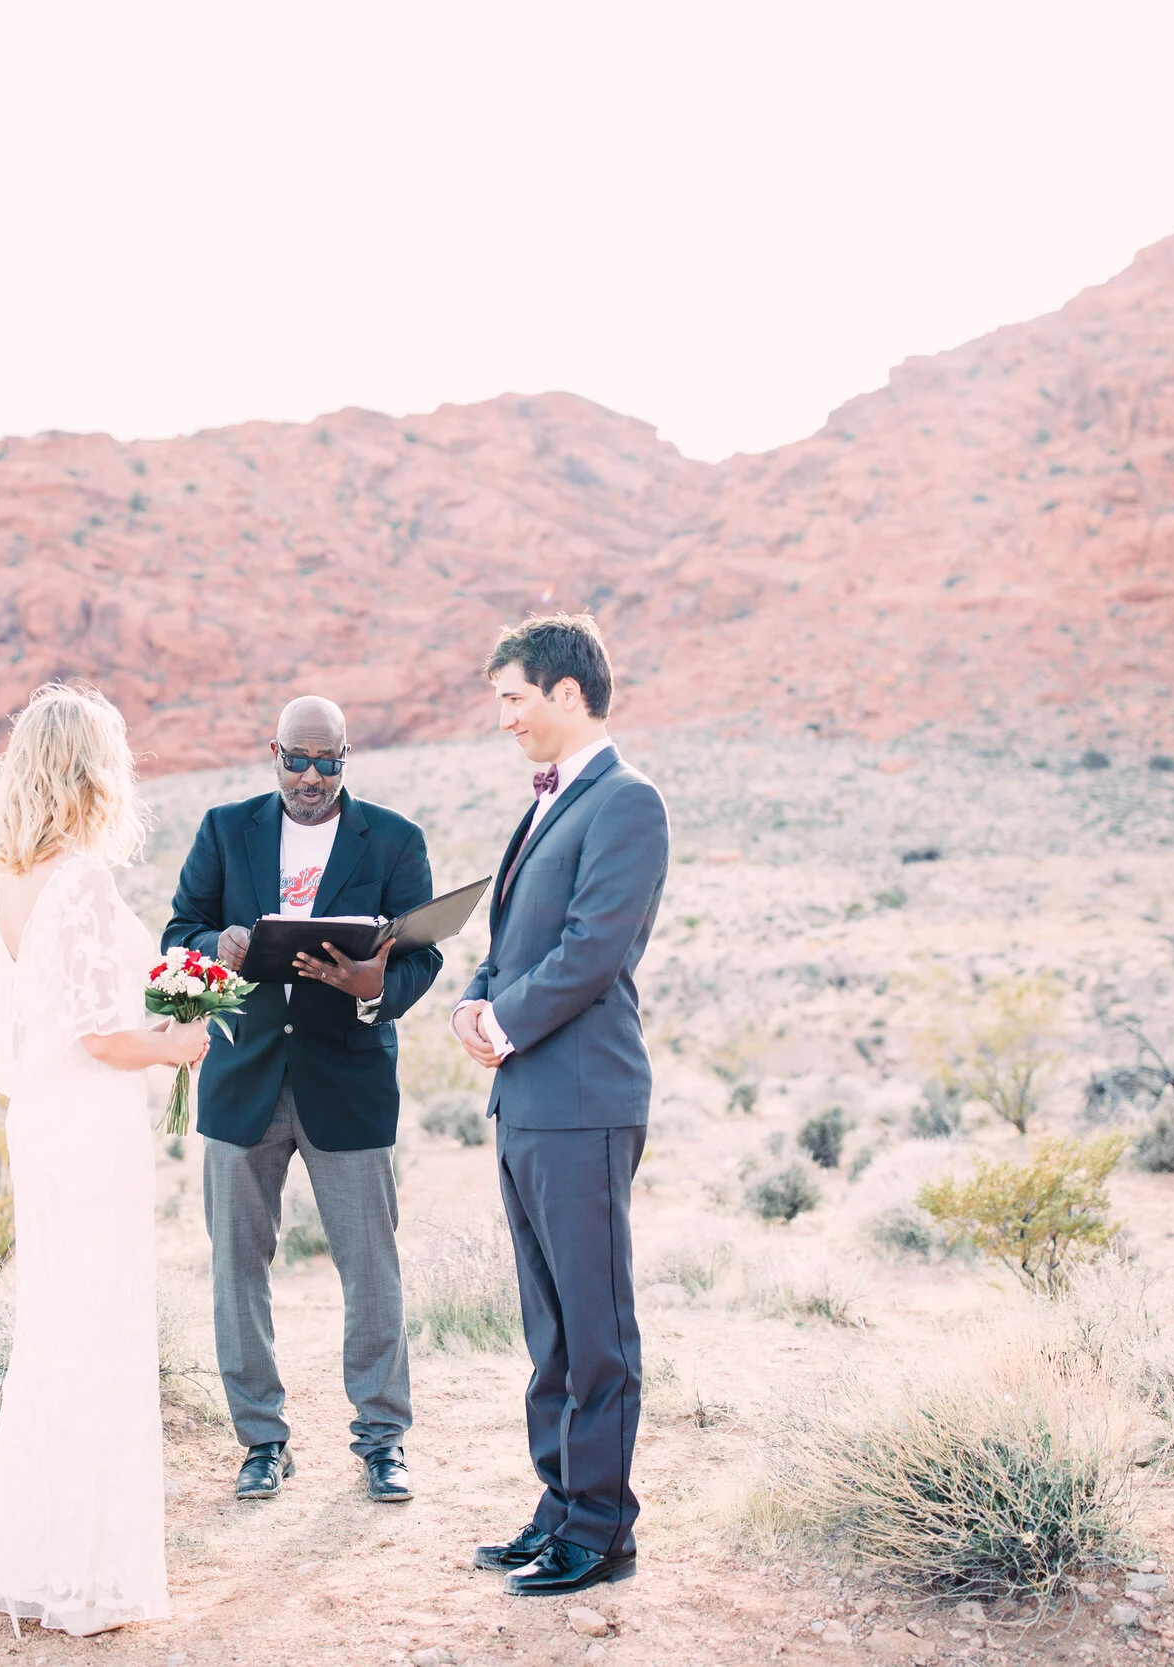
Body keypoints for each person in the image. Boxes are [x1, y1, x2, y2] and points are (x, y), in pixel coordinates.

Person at [0, 683, 207, 1637]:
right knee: (97, 1326)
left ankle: (41, 1538)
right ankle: (85, 1571)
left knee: (58, 1323)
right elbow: (99, 1037)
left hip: (46, 1130)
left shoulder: (18, 875)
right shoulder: (78, 878)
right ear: (89, 770)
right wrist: (177, 1042)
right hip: (89, 1133)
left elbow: (27, 1031)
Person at [164, 696, 444, 1504]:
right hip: (240, 1078)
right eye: (299, 760)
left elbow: (419, 961)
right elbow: (176, 930)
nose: (313, 777)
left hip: (348, 1082)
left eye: (329, 762)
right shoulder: (225, 829)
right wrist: (215, 946)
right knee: (235, 1270)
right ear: (273, 754)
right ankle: (261, 1439)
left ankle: (383, 1440)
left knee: (372, 1268)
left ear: (347, 758)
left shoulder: (394, 840)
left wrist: (373, 987)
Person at [450, 614, 669, 1598]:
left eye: (513, 698)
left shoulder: (628, 803)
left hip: (583, 1094)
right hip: (527, 1098)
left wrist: (502, 1022)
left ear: (567, 692)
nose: (502, 720)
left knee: (594, 1321)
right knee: (547, 1324)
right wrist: (473, 993)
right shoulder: (545, 805)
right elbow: (518, 936)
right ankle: (559, 1502)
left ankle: (602, 1524)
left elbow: (591, 950)